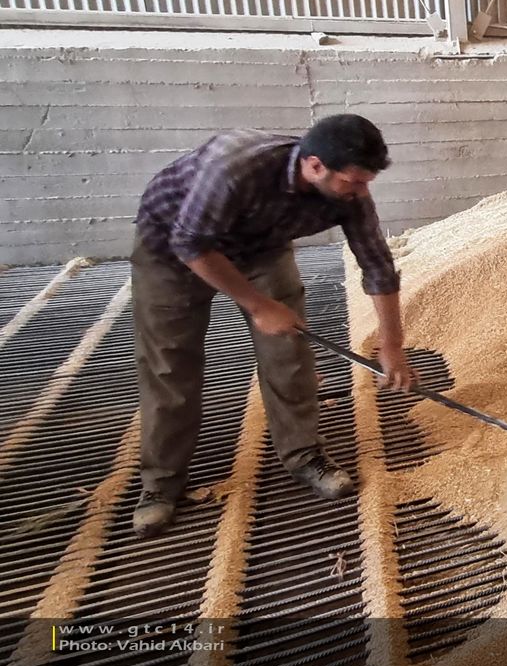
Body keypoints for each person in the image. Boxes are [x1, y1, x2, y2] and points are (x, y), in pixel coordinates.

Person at [130, 113, 417, 538]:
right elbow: (190, 243)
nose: (360, 192)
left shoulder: (349, 195)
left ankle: (304, 454)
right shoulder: (234, 169)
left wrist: (392, 344)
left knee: (290, 353)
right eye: (353, 182)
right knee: (171, 364)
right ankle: (161, 484)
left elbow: (377, 265)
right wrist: (258, 304)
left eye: (366, 182)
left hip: (260, 246)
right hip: (172, 250)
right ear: (315, 165)